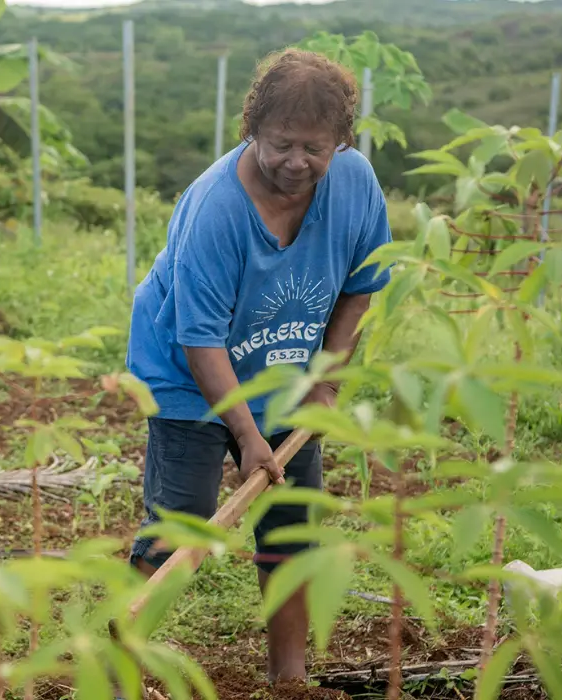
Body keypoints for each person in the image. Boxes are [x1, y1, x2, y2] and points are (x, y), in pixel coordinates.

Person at [124, 47, 393, 683]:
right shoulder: (216, 208)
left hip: (286, 372)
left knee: (292, 528)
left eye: (315, 148)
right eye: (281, 144)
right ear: (252, 130)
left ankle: (290, 679)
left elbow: (362, 286)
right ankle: (119, 665)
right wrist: (247, 436)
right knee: (179, 526)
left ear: (341, 143)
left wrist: (323, 382)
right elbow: (201, 337)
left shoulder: (356, 185)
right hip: (192, 376)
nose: (296, 162)